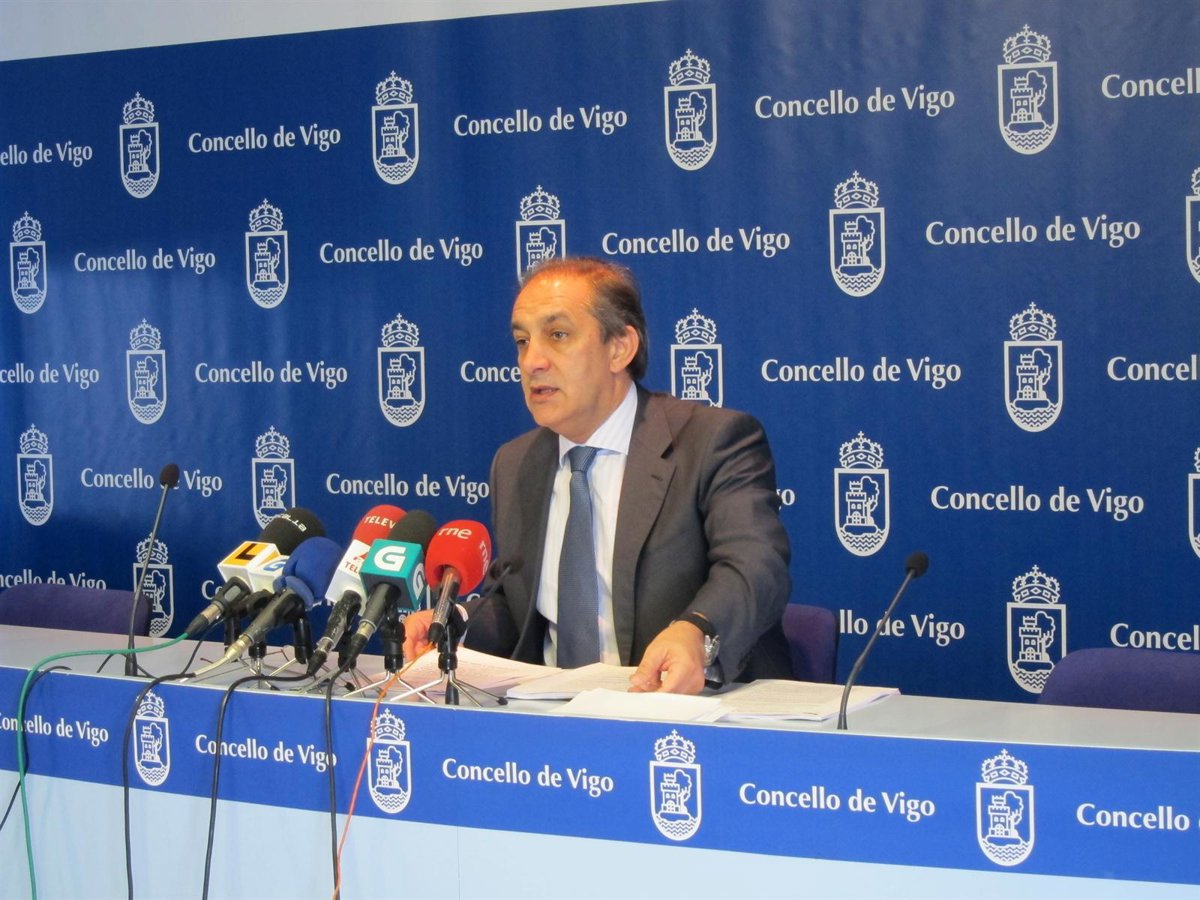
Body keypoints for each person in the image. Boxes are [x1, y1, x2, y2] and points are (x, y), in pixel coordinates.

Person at [402, 257, 791, 694]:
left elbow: (755, 567)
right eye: (522, 341)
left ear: (620, 348)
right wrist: (454, 624)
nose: (532, 361)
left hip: (681, 706)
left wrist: (696, 631)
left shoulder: (711, 442)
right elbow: (518, 606)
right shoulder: (515, 463)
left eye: (558, 335)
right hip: (549, 716)